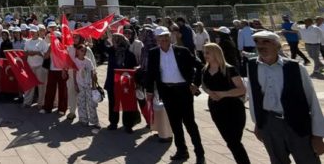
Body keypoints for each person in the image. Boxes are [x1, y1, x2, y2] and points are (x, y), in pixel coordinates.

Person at [247, 30, 324, 163]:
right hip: (269, 123)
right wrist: (258, 124)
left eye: (266, 42)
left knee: (307, 159)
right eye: (257, 42)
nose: (261, 46)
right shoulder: (252, 66)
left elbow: (312, 101)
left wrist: (318, 134)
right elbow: (254, 97)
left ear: (277, 46)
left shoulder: (295, 68)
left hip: (296, 123)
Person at [144, 26, 205, 164]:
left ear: (170, 36)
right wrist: (149, 91)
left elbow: (200, 65)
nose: (164, 39)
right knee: (175, 123)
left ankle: (199, 153)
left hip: (183, 90)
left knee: (189, 123)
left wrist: (196, 83)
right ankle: (182, 151)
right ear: (157, 39)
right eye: (161, 37)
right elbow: (151, 74)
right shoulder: (153, 53)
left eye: (166, 36)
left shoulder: (182, 51)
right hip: (167, 91)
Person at [201, 43, 250, 164]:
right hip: (216, 108)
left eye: (208, 52)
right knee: (231, 141)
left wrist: (222, 94)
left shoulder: (229, 69)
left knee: (234, 141)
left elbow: (242, 89)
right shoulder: (205, 69)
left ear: (216, 53)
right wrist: (209, 92)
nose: (205, 55)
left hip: (233, 108)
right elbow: (204, 86)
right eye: (204, 52)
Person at [105, 33, 139, 133]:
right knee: (113, 103)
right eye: (113, 39)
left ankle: (128, 125)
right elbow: (104, 47)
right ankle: (113, 123)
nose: (114, 41)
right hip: (112, 82)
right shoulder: (111, 52)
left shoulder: (129, 54)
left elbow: (134, 68)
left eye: (116, 40)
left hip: (125, 83)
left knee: (126, 103)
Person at [70, 43, 99, 128]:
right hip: (80, 85)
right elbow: (74, 73)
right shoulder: (75, 61)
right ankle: (83, 119)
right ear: (77, 51)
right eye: (82, 50)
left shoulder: (88, 61)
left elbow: (93, 73)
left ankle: (94, 120)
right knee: (81, 102)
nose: (83, 52)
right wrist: (75, 84)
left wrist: (94, 85)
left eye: (85, 51)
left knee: (91, 103)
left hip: (89, 84)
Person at [23, 25, 48, 109]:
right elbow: (25, 52)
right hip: (30, 66)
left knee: (41, 86)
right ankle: (27, 102)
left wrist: (37, 53)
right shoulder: (27, 41)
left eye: (34, 32)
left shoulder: (43, 42)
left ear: (38, 32)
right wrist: (29, 53)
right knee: (30, 85)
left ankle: (41, 103)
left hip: (40, 66)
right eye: (31, 32)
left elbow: (46, 54)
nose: (32, 33)